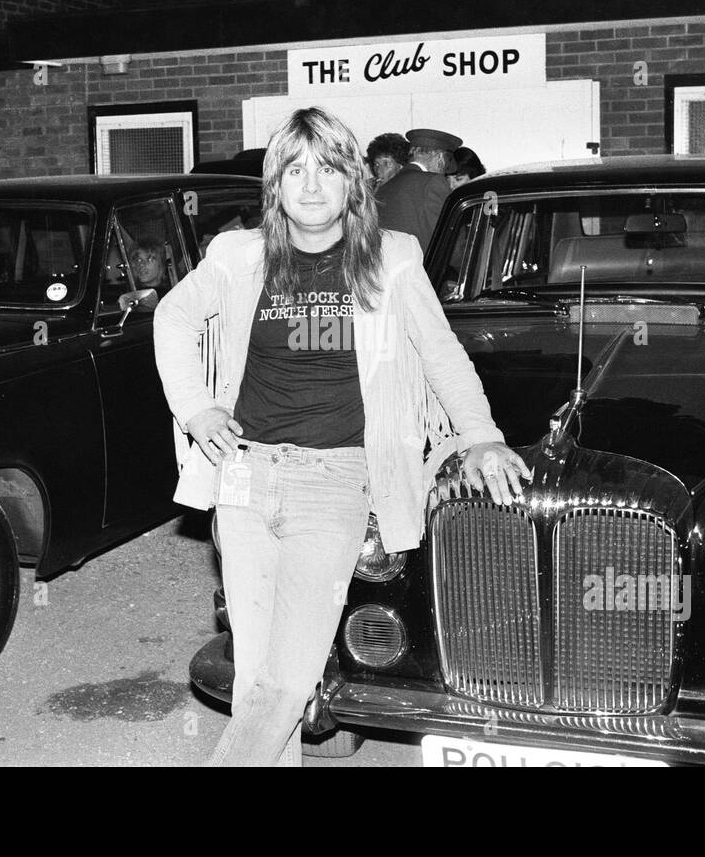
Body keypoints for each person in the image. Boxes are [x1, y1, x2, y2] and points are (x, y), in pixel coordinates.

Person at [153, 107, 530, 767]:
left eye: (327, 169)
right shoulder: (238, 257)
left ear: (353, 182)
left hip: (333, 485)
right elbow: (174, 319)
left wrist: (482, 435)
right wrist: (197, 411)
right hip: (245, 479)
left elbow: (441, 355)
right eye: (293, 169)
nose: (310, 185)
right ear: (274, 184)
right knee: (257, 686)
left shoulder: (392, 260)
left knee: (288, 682)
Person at [375, 127, 462, 253]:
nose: (444, 169)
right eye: (446, 163)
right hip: (423, 270)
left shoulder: (385, 187)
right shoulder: (433, 183)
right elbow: (450, 242)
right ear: (439, 158)